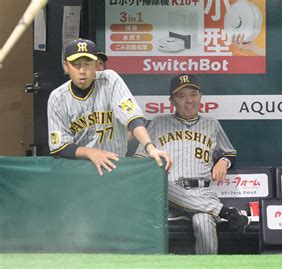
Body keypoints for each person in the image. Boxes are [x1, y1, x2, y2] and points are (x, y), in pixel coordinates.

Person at [134, 73, 249, 255]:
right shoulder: (158, 123)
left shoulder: (212, 124)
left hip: (201, 192)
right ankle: (226, 212)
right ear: (172, 101)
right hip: (168, 195)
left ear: (200, 97)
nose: (189, 100)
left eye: (193, 95)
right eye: (182, 96)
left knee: (204, 221)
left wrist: (223, 161)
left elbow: (230, 152)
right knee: (162, 184)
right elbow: (139, 159)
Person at [47, 38, 172, 175]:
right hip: (79, 172)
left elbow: (132, 118)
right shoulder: (57, 98)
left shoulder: (110, 80)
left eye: (87, 64)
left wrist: (150, 147)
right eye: (76, 65)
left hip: (116, 168)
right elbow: (58, 146)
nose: (82, 70)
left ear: (96, 64)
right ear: (66, 66)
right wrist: (91, 153)